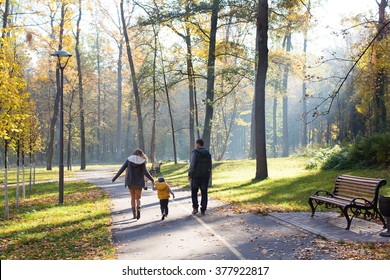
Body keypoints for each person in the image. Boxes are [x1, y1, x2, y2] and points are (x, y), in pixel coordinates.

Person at [112, 149, 155, 220]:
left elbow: (122, 169)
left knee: (132, 198)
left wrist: (115, 178)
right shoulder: (142, 161)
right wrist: (152, 179)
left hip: (130, 182)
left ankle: (134, 214)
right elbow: (146, 172)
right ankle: (138, 206)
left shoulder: (129, 159)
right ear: (141, 154)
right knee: (138, 198)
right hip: (139, 182)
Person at [188, 139, 212, 215]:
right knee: (204, 192)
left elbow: (192, 165)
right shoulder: (208, 153)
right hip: (205, 176)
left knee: (194, 192)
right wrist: (209, 174)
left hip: (196, 176)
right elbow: (210, 165)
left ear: (198, 144)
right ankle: (203, 209)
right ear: (203, 144)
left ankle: (195, 208)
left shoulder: (194, 153)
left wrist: (189, 175)